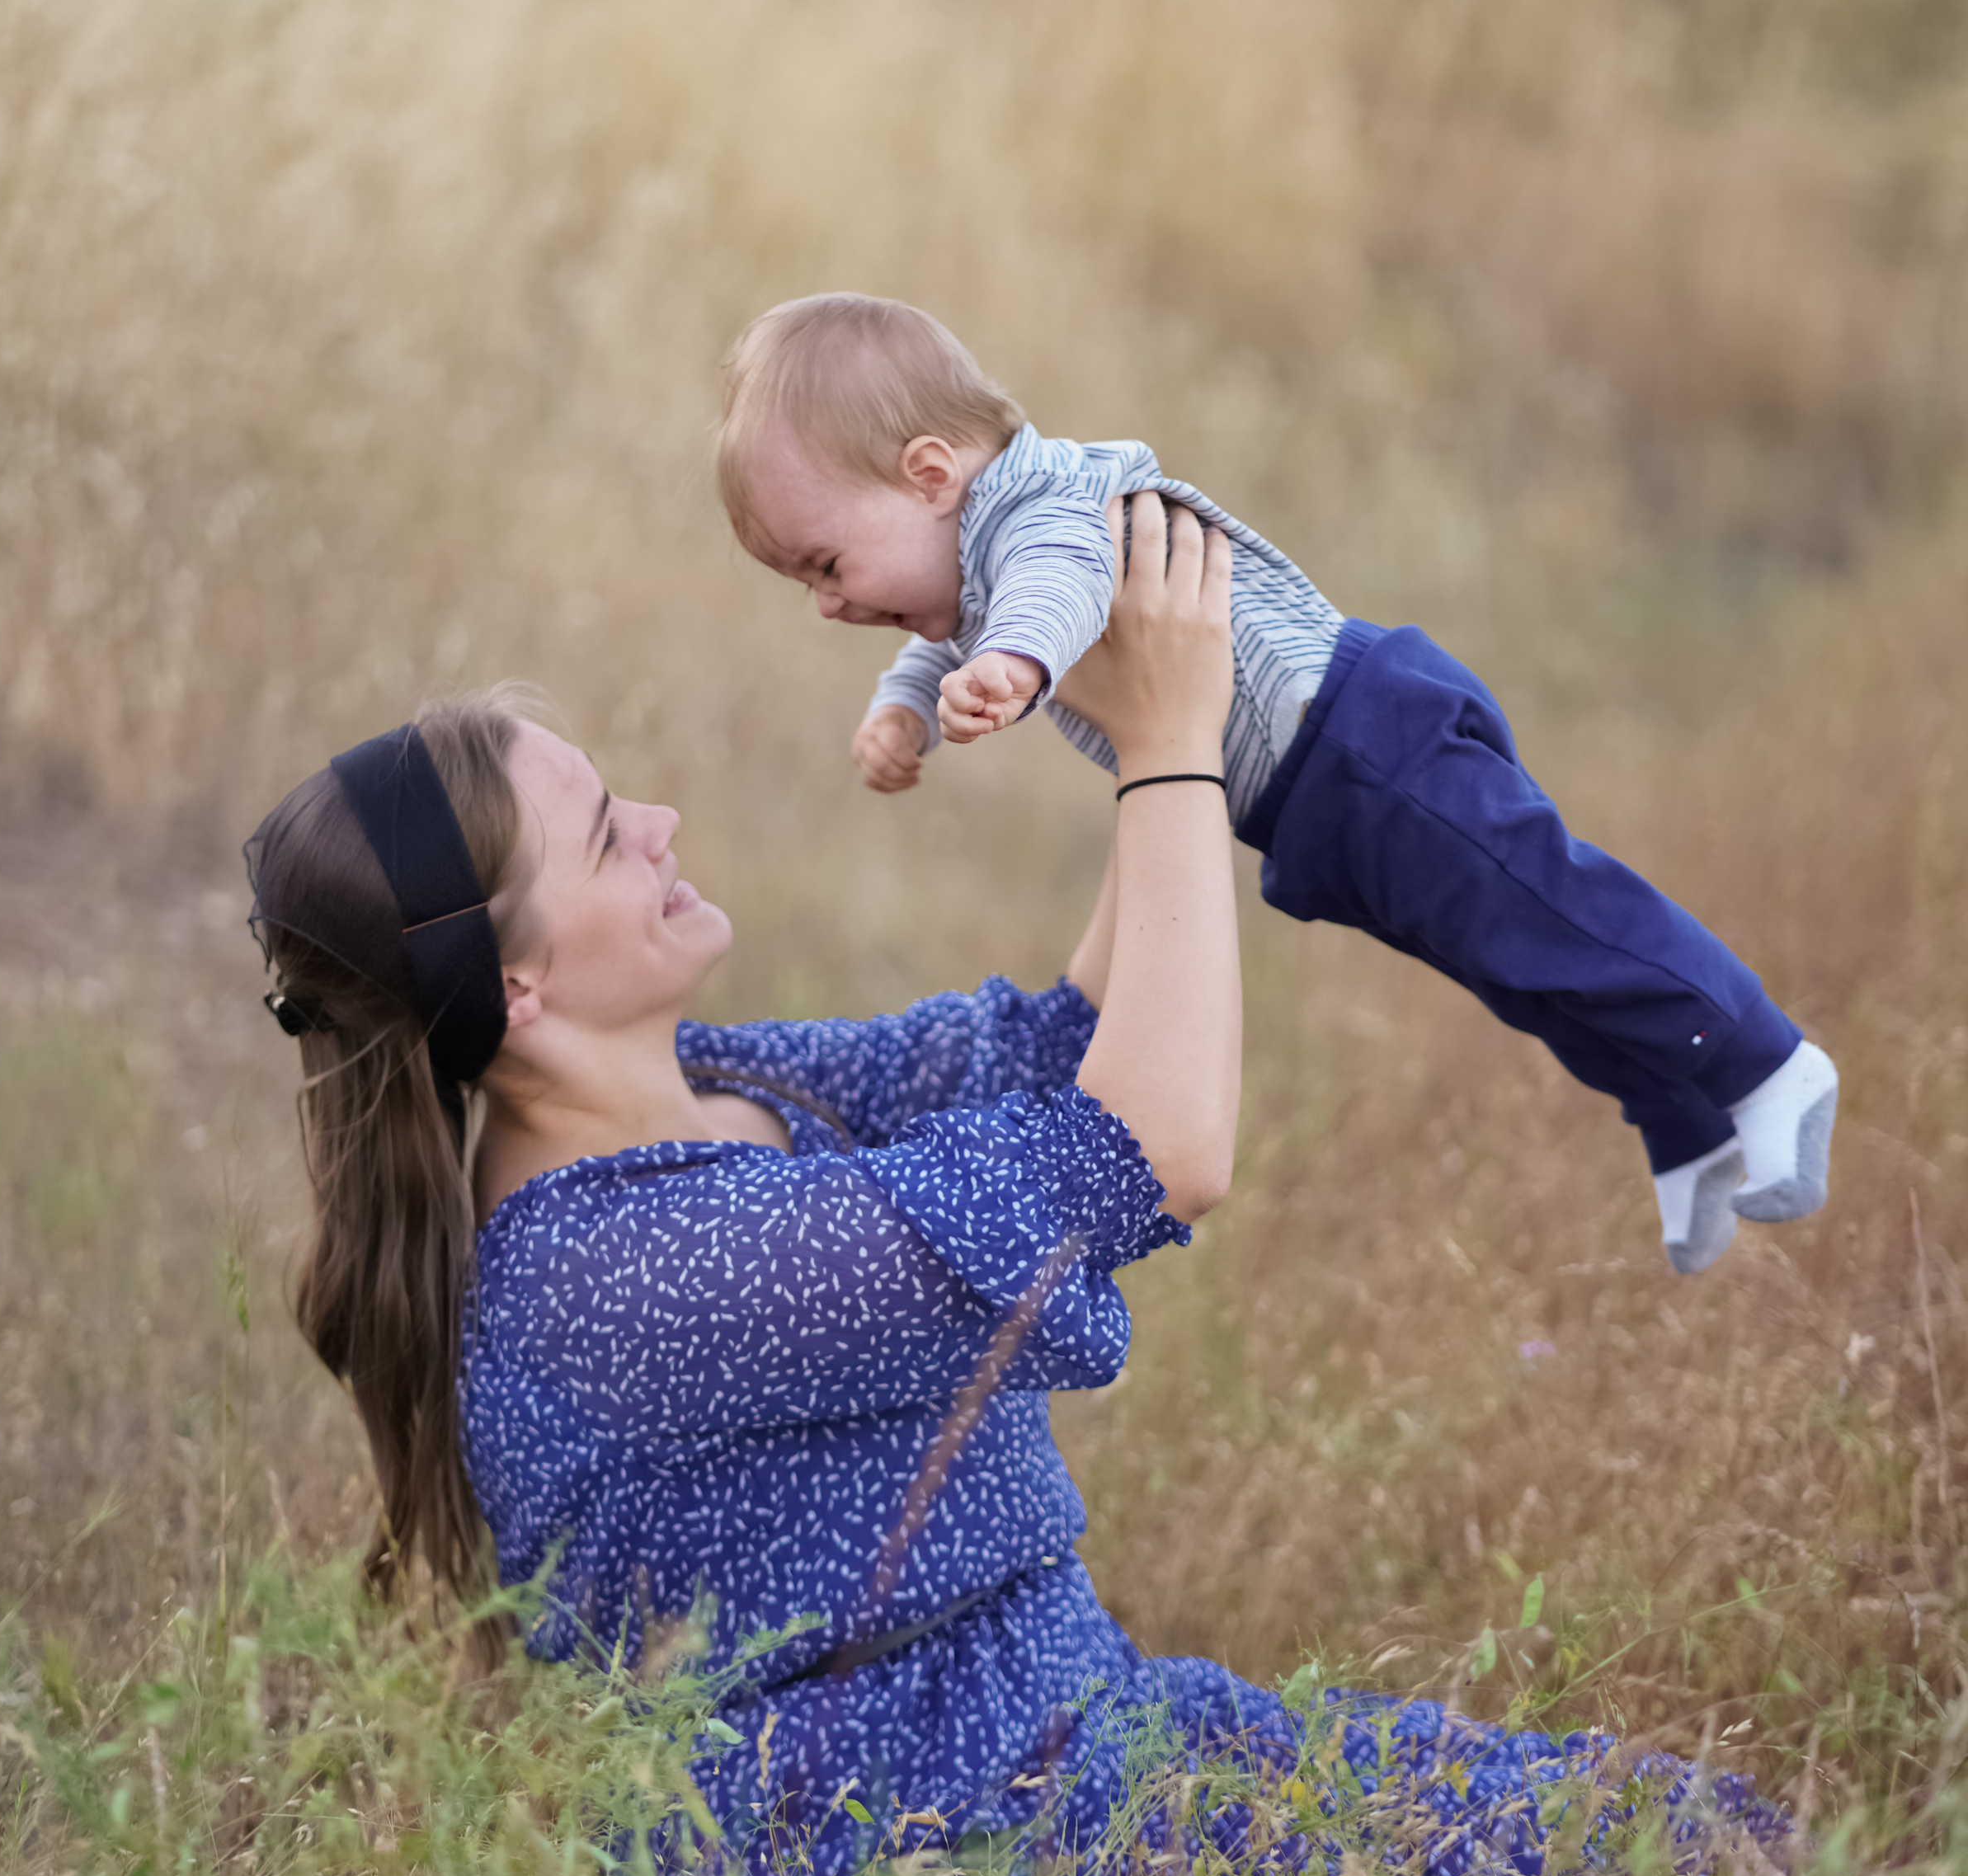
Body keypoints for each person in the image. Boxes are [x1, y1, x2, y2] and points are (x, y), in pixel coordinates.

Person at [246, 496, 1787, 1876]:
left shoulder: (730, 1088)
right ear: (516, 991)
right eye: (600, 837)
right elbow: (1155, 1148)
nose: (656, 819)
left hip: (1089, 1741)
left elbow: (1066, 1045)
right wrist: (1172, 752)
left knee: (1693, 1842)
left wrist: (1145, 703)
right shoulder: (616, 1274)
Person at [713, 291, 1838, 1281]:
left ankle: (1766, 1062)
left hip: (1362, 738)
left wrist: (1017, 665)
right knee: (1511, 964)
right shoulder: (965, 570)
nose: (823, 602)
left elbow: (1051, 589)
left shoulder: (1040, 511)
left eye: (824, 563)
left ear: (928, 475)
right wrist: (904, 707)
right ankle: (1688, 1121)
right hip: (1314, 799)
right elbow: (945, 630)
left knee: (1549, 913)